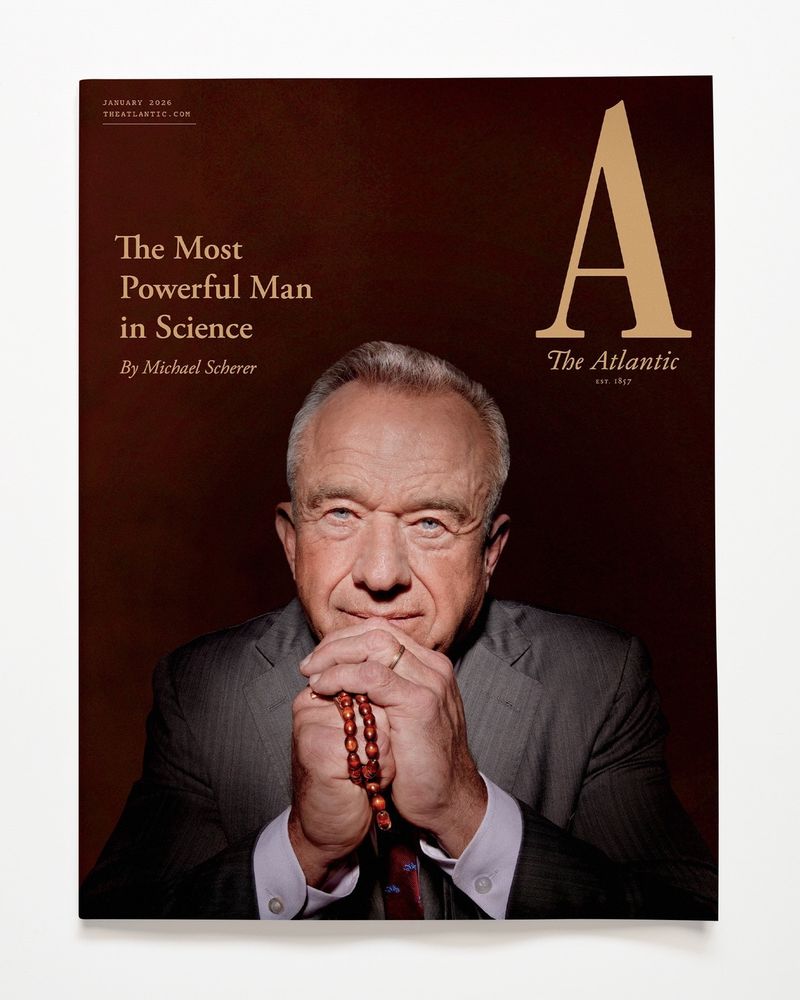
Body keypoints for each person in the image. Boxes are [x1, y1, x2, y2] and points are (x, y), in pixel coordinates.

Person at [80, 341, 717, 920]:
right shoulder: (200, 691)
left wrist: (467, 813)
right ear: (292, 542)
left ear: (490, 553)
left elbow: (693, 933)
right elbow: (108, 947)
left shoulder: (599, 678)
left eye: (431, 523)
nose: (380, 575)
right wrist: (303, 850)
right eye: (340, 514)